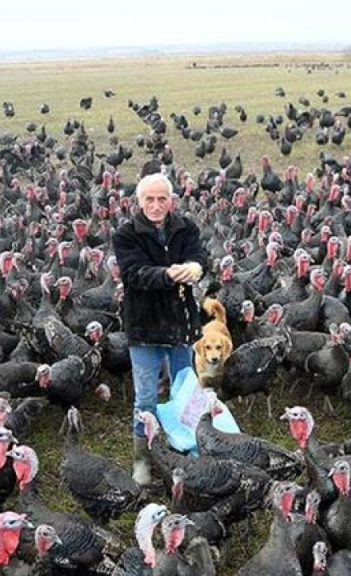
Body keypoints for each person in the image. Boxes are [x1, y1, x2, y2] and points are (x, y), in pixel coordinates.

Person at [112, 173, 208, 484]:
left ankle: (184, 448)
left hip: (180, 323)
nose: (156, 205)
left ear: (171, 201)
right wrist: (168, 275)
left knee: (185, 391)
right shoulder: (126, 235)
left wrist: (196, 267)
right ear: (138, 202)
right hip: (144, 326)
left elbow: (198, 255)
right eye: (149, 199)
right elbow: (134, 274)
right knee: (146, 397)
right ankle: (144, 458)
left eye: (162, 199)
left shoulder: (185, 227)